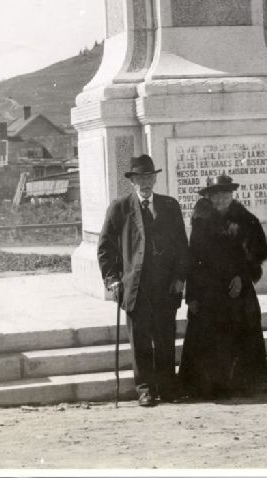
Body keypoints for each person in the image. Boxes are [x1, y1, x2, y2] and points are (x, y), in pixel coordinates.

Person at [97, 154, 189, 408]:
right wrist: (112, 280)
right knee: (140, 342)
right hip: (135, 286)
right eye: (140, 178)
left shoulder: (169, 206)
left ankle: (167, 387)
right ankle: (145, 389)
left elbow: (182, 245)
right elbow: (105, 248)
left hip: (165, 286)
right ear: (132, 181)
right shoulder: (120, 208)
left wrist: (180, 277)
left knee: (165, 339)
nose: (145, 183)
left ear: (155, 179)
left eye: (149, 177)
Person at [178, 175, 267, 399]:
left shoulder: (247, 220)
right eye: (216, 195)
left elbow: (258, 253)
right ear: (209, 197)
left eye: (225, 194)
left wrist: (243, 277)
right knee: (209, 339)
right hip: (209, 292)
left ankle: (242, 385)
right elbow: (193, 260)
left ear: (232, 195)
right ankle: (209, 388)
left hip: (238, 292)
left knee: (242, 336)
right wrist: (192, 296)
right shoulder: (200, 222)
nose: (221, 199)